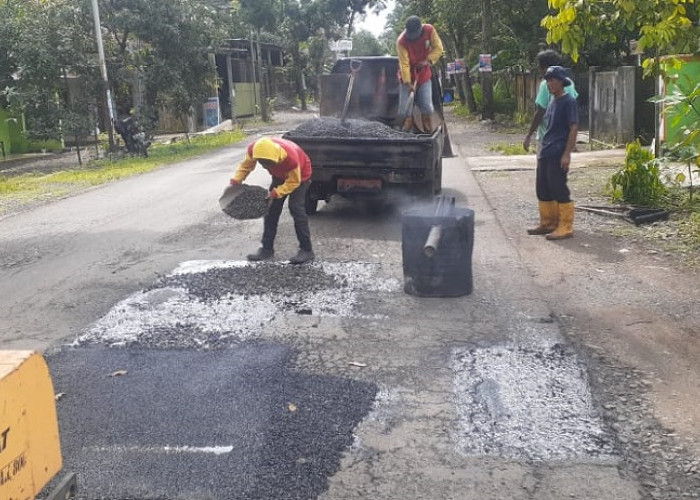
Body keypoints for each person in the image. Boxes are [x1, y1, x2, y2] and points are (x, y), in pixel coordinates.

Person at [230, 137, 315, 264]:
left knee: (296, 208)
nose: (265, 166)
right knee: (270, 209)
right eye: (262, 163)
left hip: (300, 176)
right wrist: (236, 182)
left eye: (268, 164)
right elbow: (246, 166)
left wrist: (275, 193)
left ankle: (307, 250)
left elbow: (293, 182)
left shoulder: (290, 160)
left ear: (276, 159)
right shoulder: (255, 150)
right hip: (279, 176)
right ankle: (267, 249)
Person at [523, 50, 578, 237]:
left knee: (558, 186)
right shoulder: (553, 100)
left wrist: (567, 154)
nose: (549, 84)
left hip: (558, 149)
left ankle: (565, 226)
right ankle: (547, 222)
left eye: (553, 80)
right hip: (547, 148)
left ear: (561, 81)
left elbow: (573, 128)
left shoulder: (568, 101)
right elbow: (544, 118)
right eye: (547, 80)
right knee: (543, 186)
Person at [396, 15, 444, 133]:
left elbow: (438, 48)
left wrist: (427, 60)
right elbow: (404, 64)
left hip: (423, 75)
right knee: (404, 110)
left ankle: (428, 133)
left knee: (427, 106)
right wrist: (408, 83)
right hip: (406, 76)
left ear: (420, 29)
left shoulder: (429, 30)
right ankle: (406, 133)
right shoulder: (401, 41)